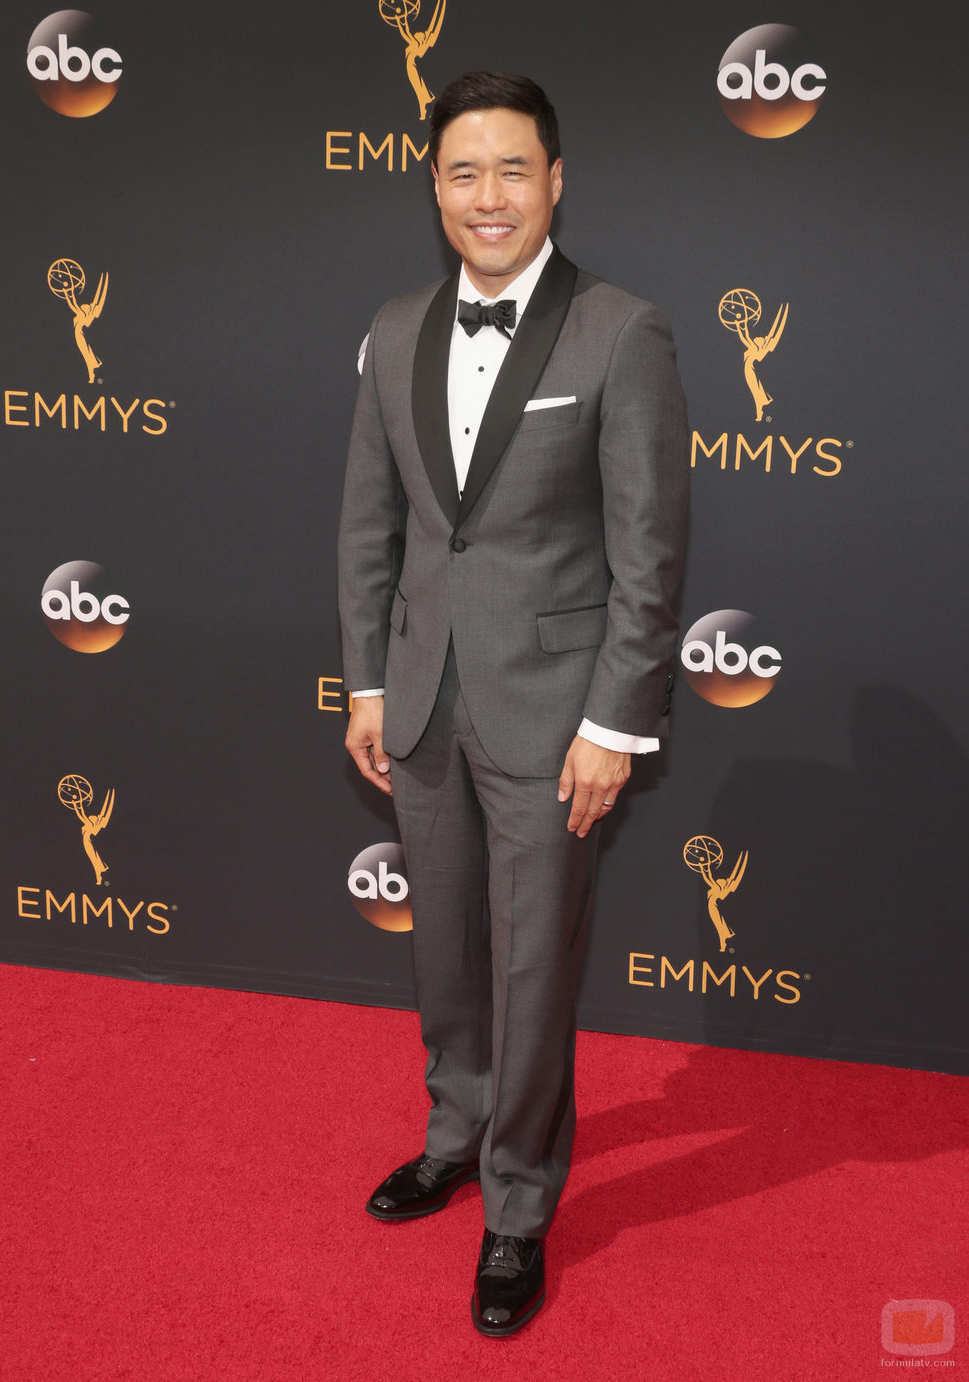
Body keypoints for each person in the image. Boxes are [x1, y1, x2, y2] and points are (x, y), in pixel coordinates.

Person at [338, 70, 689, 1337]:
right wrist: (370, 683)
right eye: (461, 173)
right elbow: (369, 527)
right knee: (446, 951)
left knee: (533, 964)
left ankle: (519, 1204)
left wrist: (614, 721)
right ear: (433, 189)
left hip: (556, 715)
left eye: (510, 170)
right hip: (423, 700)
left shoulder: (620, 330)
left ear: (555, 180)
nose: (487, 196)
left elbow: (649, 552)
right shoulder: (392, 328)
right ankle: (456, 1128)